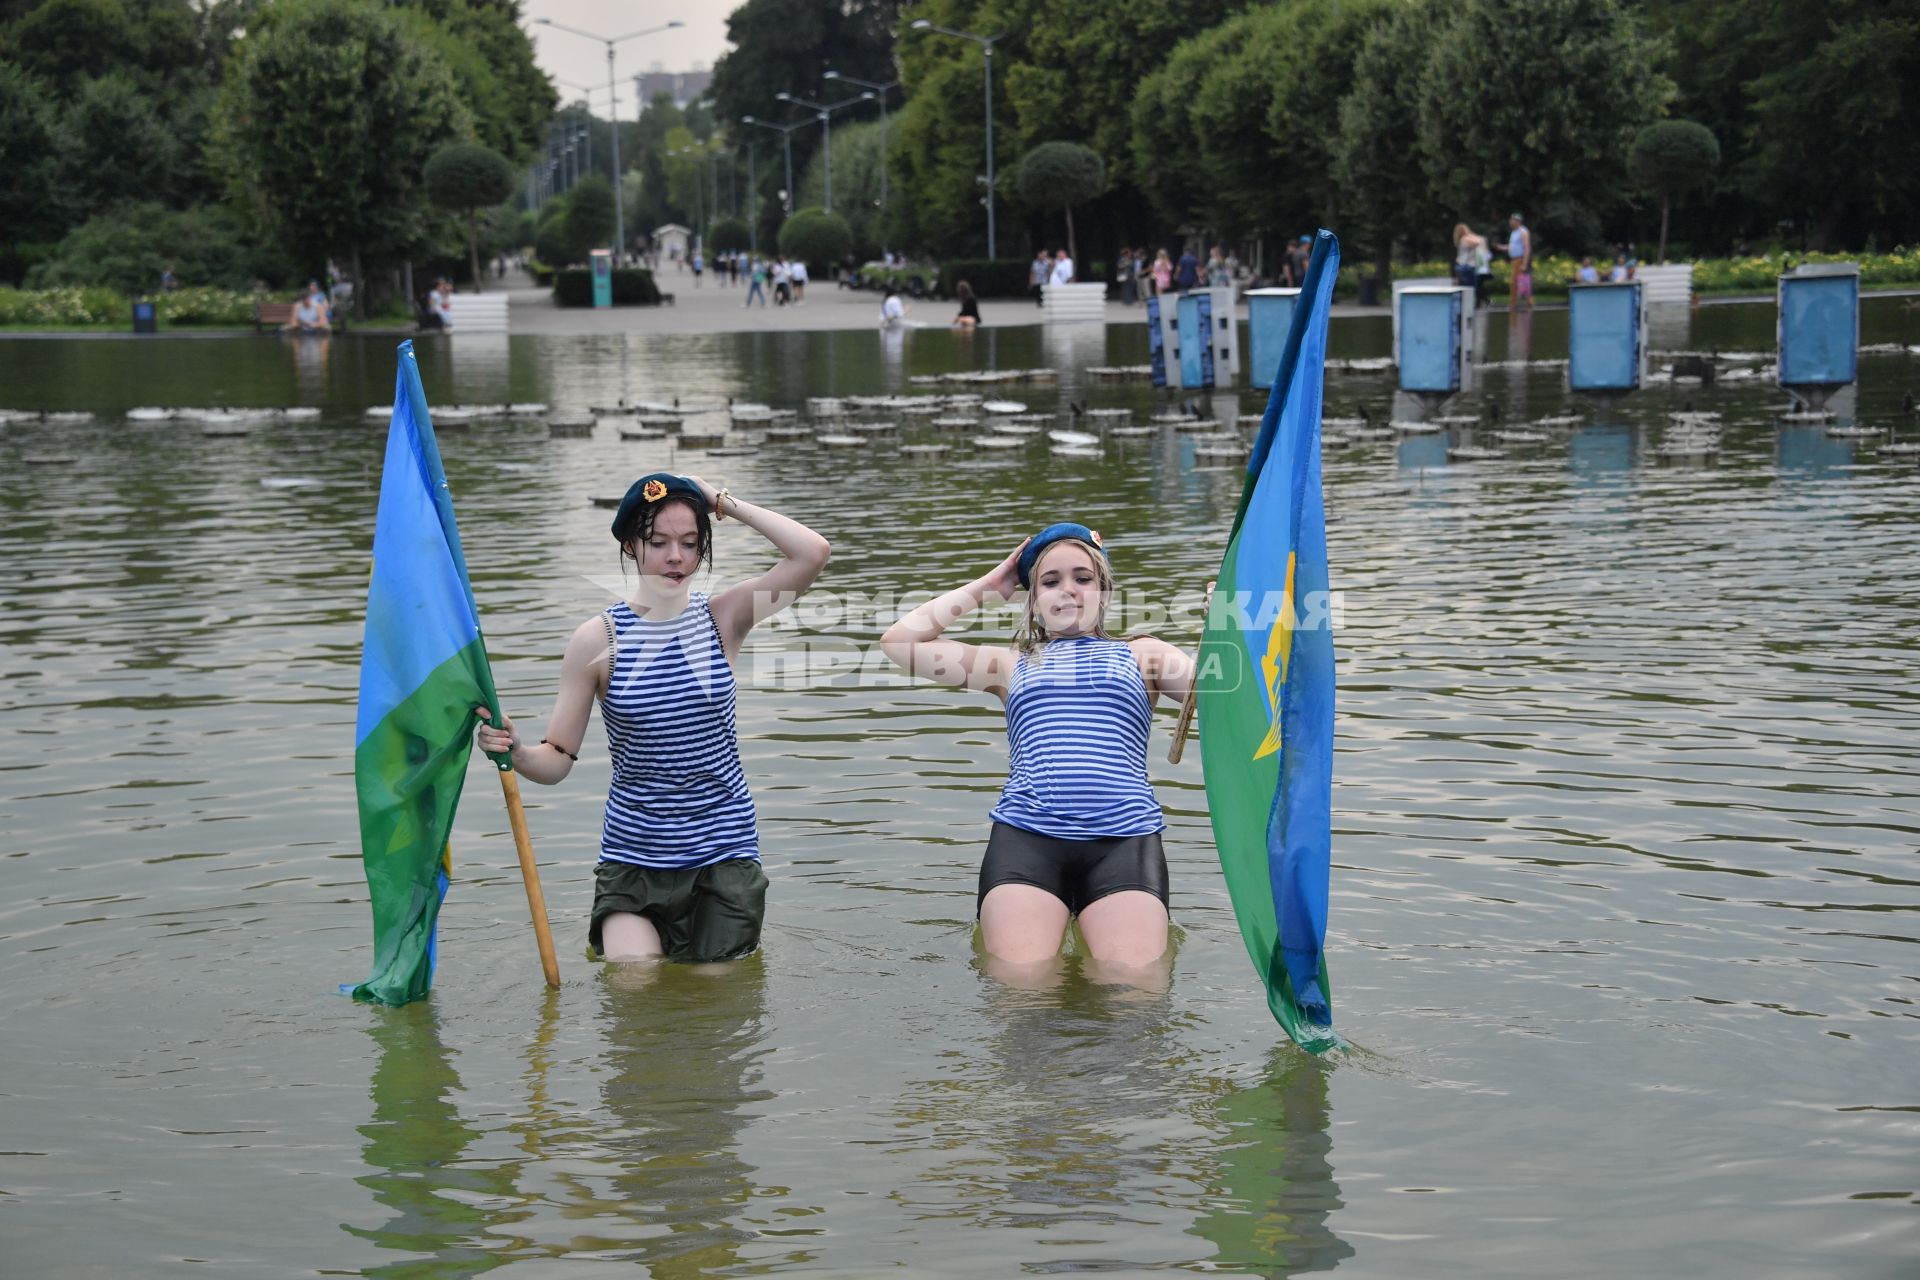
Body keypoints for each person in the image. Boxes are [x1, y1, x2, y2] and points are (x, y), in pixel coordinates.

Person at [474, 472, 831, 965]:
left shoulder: (724, 618)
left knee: (714, 1003)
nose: (675, 557)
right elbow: (556, 759)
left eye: (689, 543)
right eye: (657, 542)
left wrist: (721, 501)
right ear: (630, 546)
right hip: (633, 860)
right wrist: (515, 750)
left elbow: (812, 553)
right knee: (634, 984)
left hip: (722, 857)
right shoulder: (597, 640)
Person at [878, 524, 1197, 978]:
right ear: (1032, 598)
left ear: (1104, 590)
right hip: (1028, 840)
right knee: (1021, 990)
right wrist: (988, 587)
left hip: (1124, 841)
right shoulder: (1009, 663)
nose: (1068, 591)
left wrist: (1239, 631)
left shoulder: (1145, 654)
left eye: (1083, 578)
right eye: (1050, 582)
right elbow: (900, 643)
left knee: (1132, 993)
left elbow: (1232, 702)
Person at [1507, 212, 1533, 310]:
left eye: (1511, 220)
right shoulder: (1514, 232)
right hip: (1514, 260)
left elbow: (1527, 248)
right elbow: (1513, 246)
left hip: (1520, 259)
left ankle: (1513, 304)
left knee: (1516, 282)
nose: (1510, 222)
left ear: (1517, 221)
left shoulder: (1523, 231)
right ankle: (1528, 302)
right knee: (1521, 282)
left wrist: (1525, 264)